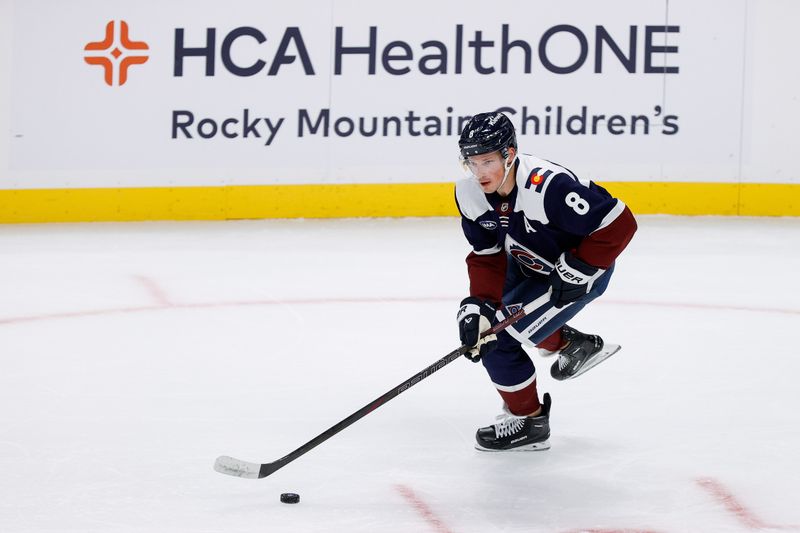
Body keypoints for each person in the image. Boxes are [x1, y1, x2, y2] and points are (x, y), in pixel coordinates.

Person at [455, 111, 637, 452]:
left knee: (498, 337)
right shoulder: (470, 194)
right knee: (486, 325)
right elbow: (486, 254)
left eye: (487, 162)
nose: (479, 173)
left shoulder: (546, 186)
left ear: (509, 155)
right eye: (472, 163)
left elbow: (620, 224)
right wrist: (478, 302)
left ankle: (530, 422)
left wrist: (580, 267)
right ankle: (569, 344)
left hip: (578, 273)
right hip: (525, 263)